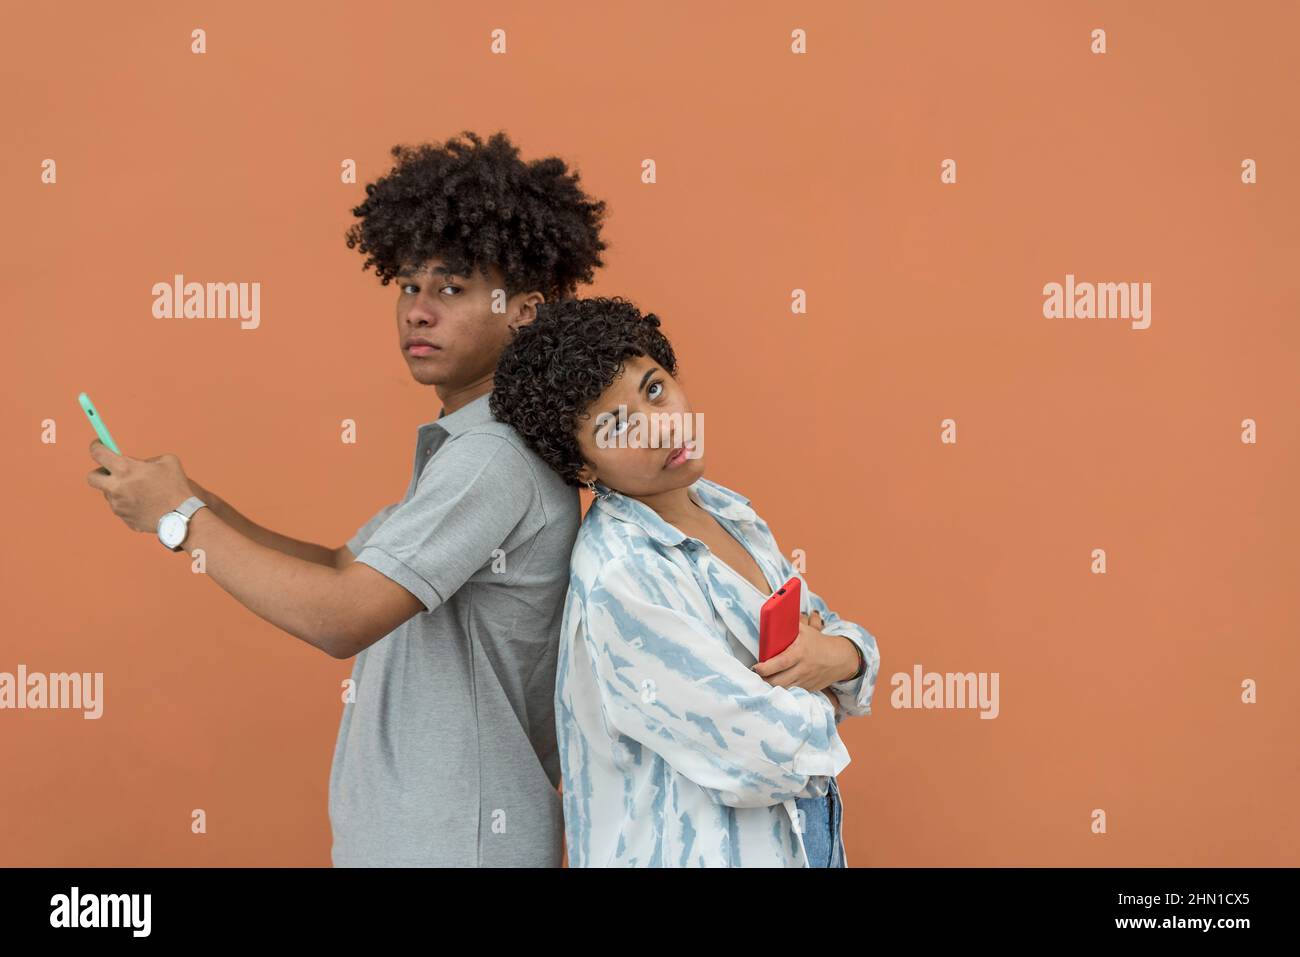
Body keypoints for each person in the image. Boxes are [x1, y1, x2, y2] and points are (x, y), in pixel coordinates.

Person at [85, 130, 609, 866]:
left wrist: (182, 522)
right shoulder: (468, 449)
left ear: (523, 310)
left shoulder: (492, 458)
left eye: (451, 289)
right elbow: (341, 566)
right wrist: (184, 495)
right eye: (408, 286)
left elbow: (341, 617)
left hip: (455, 843)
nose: (418, 310)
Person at [489, 296, 881, 867]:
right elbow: (764, 752)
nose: (660, 426)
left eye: (653, 389)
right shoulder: (623, 576)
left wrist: (841, 656)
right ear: (581, 466)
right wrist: (823, 681)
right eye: (616, 424)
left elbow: (835, 637)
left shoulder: (727, 511)